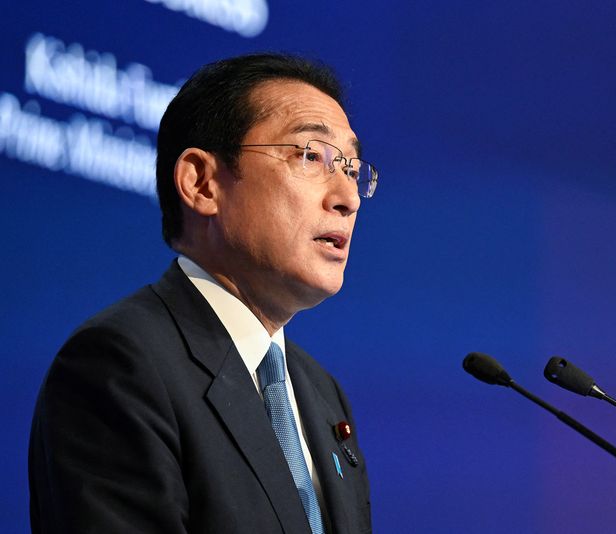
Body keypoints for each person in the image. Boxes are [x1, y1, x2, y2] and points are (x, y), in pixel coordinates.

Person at [28, 53, 377, 534]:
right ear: (202, 182)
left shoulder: (320, 393)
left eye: (352, 168)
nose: (348, 197)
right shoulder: (120, 365)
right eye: (311, 155)